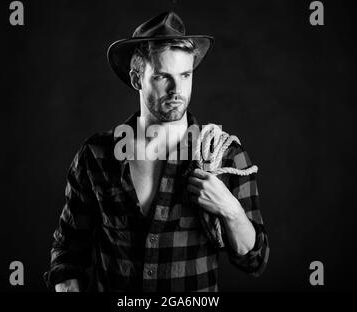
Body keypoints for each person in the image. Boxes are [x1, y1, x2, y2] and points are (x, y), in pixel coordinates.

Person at [44, 11, 269, 292]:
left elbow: (254, 259)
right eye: (163, 76)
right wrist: (66, 286)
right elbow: (67, 252)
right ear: (137, 78)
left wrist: (230, 209)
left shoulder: (224, 156)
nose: (177, 89)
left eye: (185, 75)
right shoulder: (96, 157)